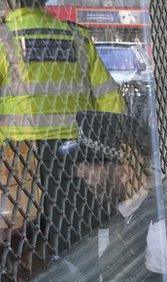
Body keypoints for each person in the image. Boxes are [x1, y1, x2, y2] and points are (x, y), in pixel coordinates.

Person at [0, 0, 125, 255]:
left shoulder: (4, 39)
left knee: (22, 247)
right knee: (76, 240)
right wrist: (109, 153)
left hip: (19, 158)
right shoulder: (76, 36)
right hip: (74, 154)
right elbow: (110, 100)